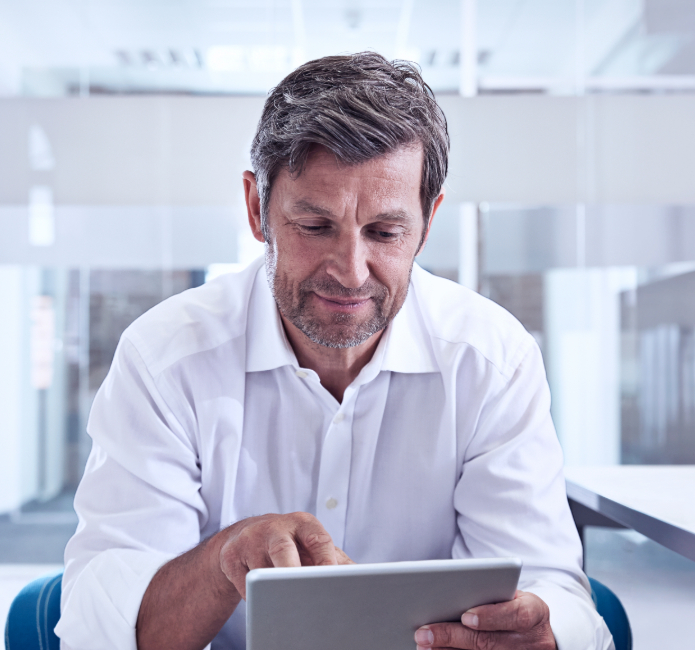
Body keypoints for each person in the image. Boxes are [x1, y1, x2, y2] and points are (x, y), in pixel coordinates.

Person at [56, 52, 614, 650]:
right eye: (315, 227)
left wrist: (544, 630)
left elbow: (553, 591)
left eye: (385, 232)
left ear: (428, 222)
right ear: (256, 210)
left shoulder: (492, 362)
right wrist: (225, 560)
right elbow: (101, 629)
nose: (350, 273)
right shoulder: (164, 360)